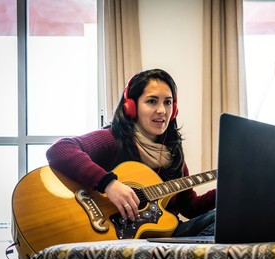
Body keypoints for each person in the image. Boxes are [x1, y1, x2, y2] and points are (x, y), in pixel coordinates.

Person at [46, 68, 216, 237]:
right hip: (112, 233)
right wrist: (109, 184)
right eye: (152, 101)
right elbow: (60, 149)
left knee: (226, 219)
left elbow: (190, 207)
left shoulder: (173, 154)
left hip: (166, 233)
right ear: (131, 107)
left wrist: (227, 190)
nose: (162, 110)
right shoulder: (112, 139)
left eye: (168, 102)